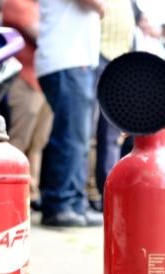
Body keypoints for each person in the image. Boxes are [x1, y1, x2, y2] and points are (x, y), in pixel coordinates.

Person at [36, 0, 102, 227]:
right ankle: (59, 204)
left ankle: (75, 204)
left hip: (74, 62)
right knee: (71, 138)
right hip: (67, 61)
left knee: (79, 140)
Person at [2, 0, 52, 210]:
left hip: (43, 80)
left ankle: (31, 193)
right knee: (19, 139)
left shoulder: (39, 6)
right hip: (24, 79)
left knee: (38, 143)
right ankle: (9, 192)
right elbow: (41, 35)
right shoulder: (16, 3)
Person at [91, 0, 134, 210]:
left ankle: (109, 194)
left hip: (120, 65)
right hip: (95, 61)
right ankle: (90, 193)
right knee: (89, 134)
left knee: (112, 136)